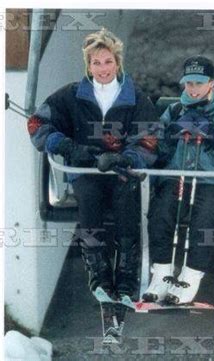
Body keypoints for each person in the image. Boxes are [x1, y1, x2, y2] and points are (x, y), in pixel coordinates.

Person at [27, 28, 158, 302]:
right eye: (96, 63)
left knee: (126, 198)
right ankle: (99, 273)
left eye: (108, 62)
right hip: (86, 169)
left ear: (117, 62)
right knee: (88, 196)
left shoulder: (134, 97)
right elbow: (37, 124)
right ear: (88, 65)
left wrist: (125, 158)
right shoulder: (72, 96)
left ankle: (126, 276)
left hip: (121, 169)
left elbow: (149, 139)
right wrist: (69, 147)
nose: (103, 69)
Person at [144, 55, 214, 304]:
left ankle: (190, 275)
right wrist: (167, 137)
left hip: (213, 181)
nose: (193, 89)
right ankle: (161, 273)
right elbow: (154, 151)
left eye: (199, 83)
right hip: (177, 175)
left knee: (206, 216)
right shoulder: (173, 111)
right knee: (161, 212)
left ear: (211, 83)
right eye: (188, 83)